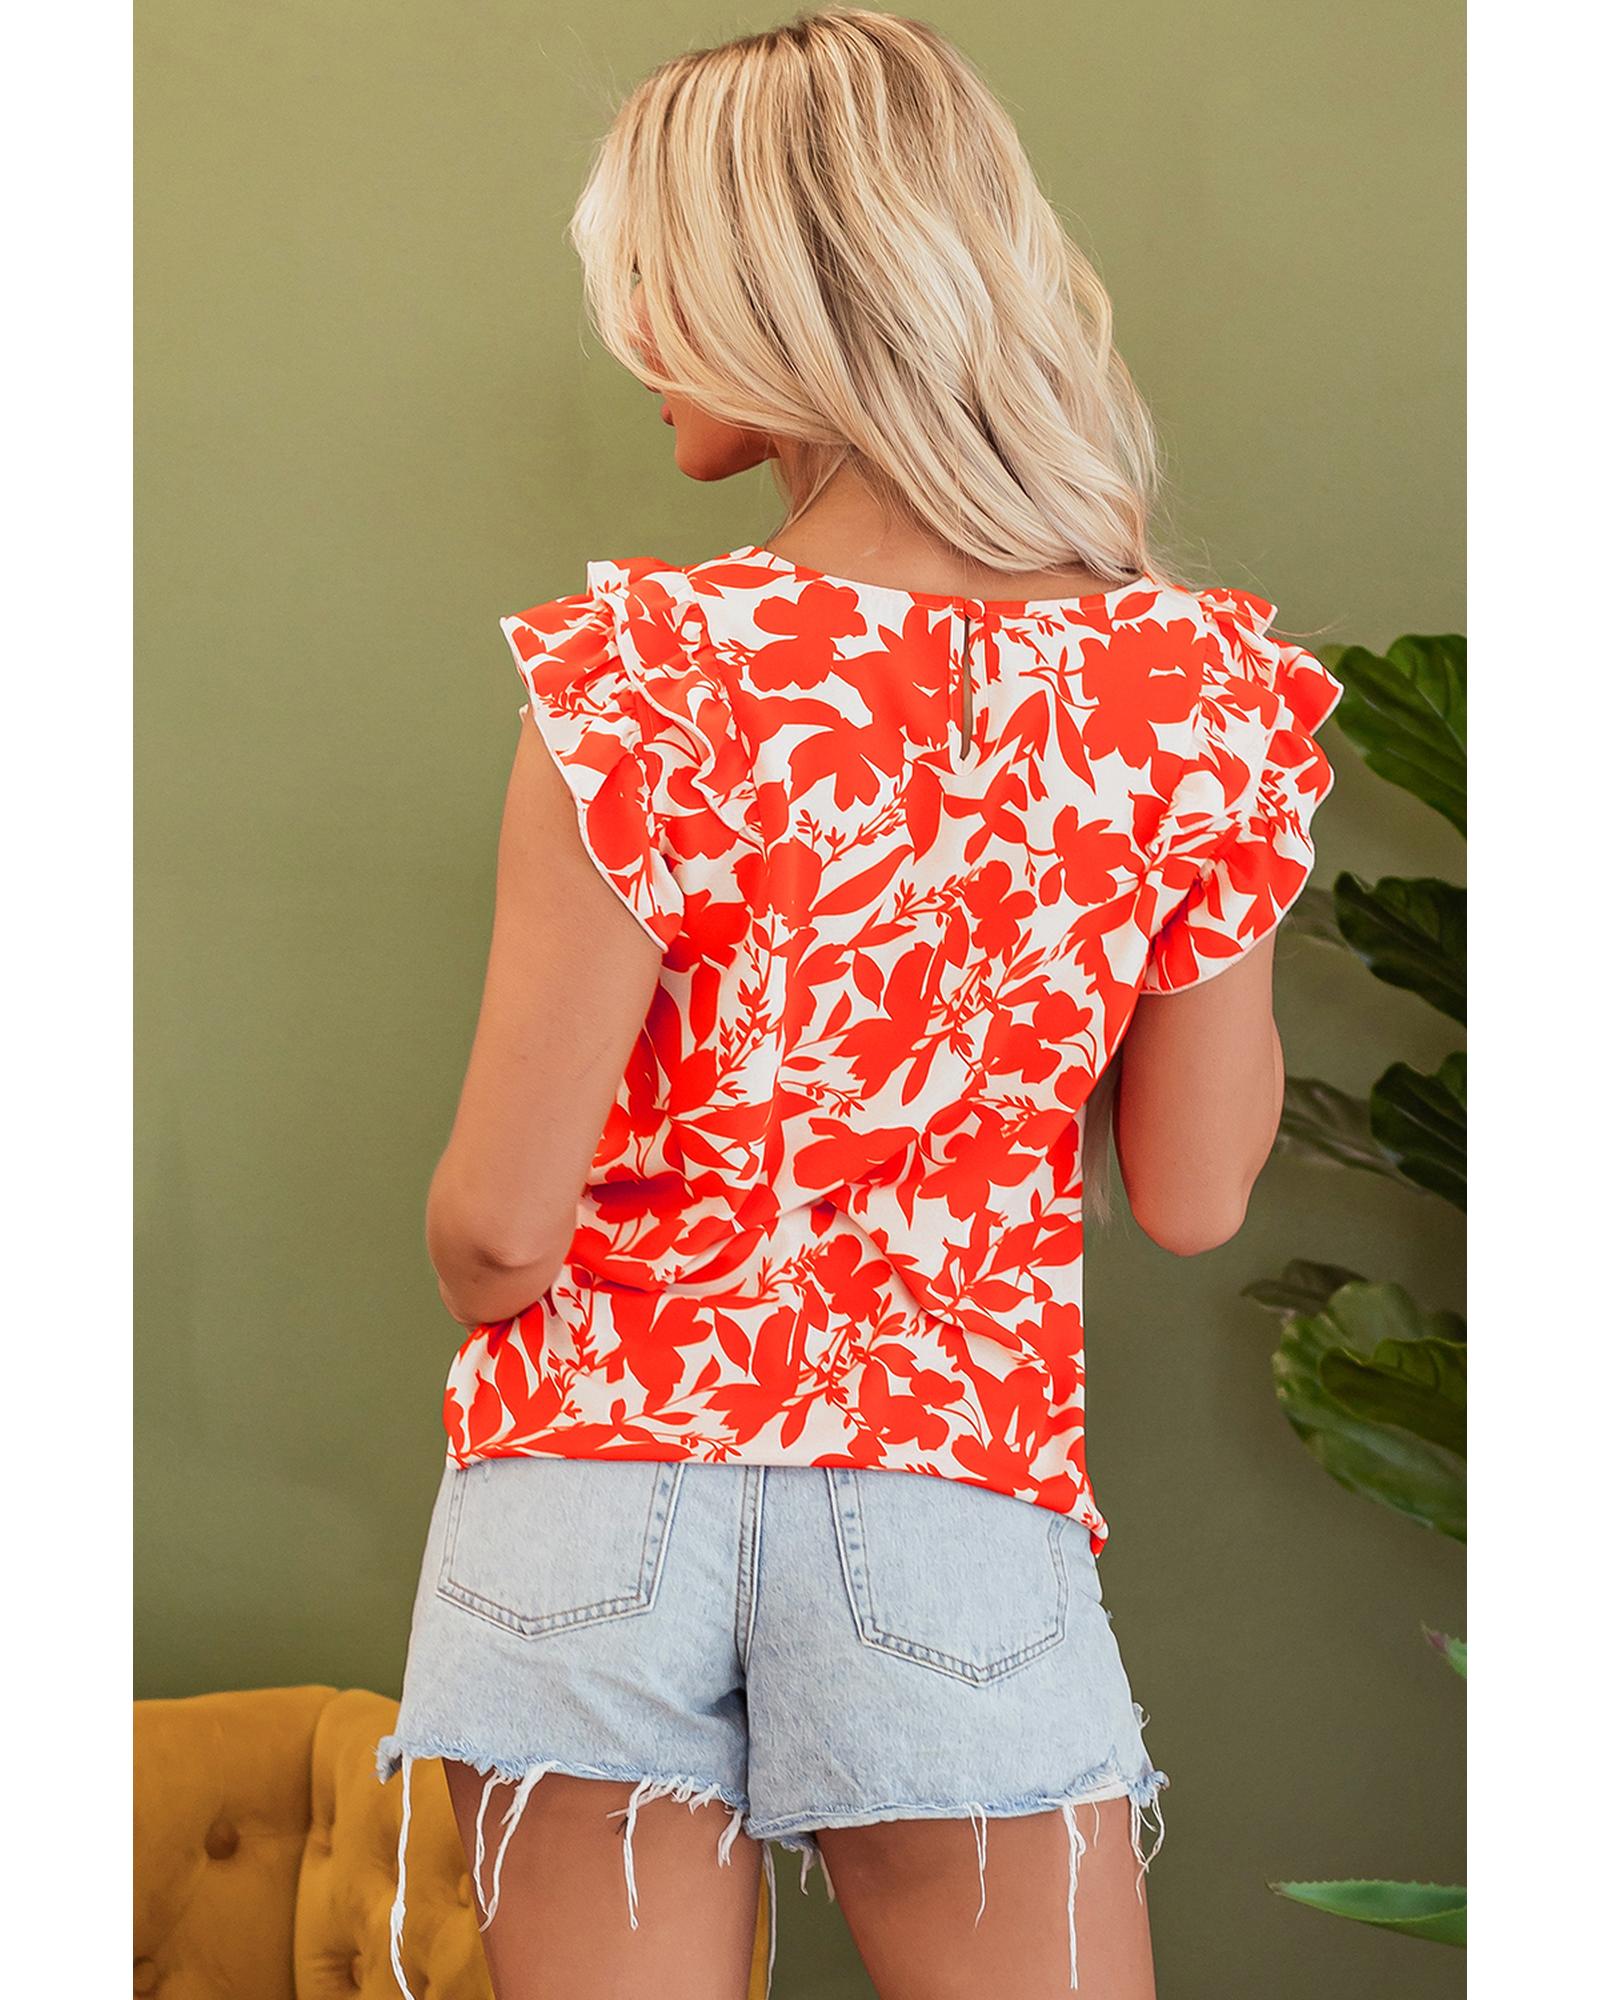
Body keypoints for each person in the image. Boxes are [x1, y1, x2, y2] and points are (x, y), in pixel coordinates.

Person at [374, 11, 1341, 1998]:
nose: (634, 340)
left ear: (767, 297)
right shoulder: (1194, 696)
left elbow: (499, 1229)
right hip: (947, 1488)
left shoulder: (639, 670)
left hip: (588, 1489)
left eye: (651, 284)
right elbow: (1190, 1193)